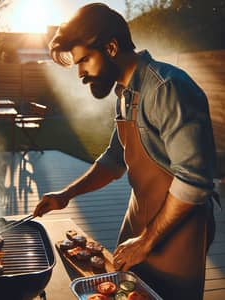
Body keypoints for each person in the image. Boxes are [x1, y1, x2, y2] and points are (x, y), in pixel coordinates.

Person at [33, 3, 217, 299]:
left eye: (84, 61)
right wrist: (66, 194)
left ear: (112, 47)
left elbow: (195, 180)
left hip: (178, 233)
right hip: (138, 224)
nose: (80, 73)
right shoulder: (124, 94)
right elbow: (114, 160)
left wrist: (146, 241)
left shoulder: (167, 88)